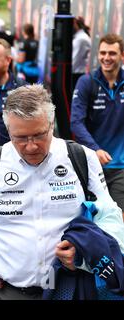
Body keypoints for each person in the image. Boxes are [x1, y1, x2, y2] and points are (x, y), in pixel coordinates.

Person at [0, 84, 123, 300]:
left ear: (52, 125)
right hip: (2, 291)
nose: (31, 146)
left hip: (68, 288)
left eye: (39, 135)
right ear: (8, 130)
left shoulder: (82, 158)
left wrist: (84, 255)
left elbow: (111, 221)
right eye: (20, 138)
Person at [71, 34, 124, 217]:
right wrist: (95, 149)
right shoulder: (87, 81)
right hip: (91, 164)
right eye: (102, 53)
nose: (106, 58)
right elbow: (76, 122)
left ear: (122, 56)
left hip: (121, 165)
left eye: (112, 53)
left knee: (119, 218)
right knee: (94, 217)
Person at [72, 16, 91, 87]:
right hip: (76, 75)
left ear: (75, 24)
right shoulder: (78, 37)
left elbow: (74, 62)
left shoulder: (81, 39)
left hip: (76, 76)